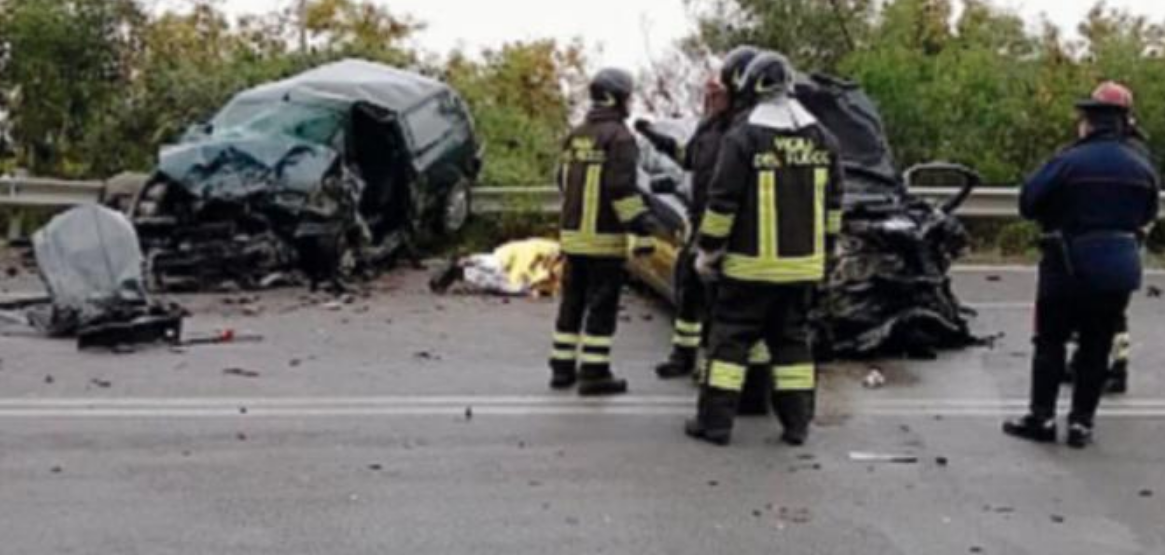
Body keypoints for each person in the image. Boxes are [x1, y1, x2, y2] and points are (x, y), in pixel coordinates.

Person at [684, 52, 844, 446]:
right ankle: (797, 425)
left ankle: (715, 424)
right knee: (791, 346)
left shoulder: (744, 138)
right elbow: (834, 205)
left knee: (728, 345)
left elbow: (722, 202)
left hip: (748, 270)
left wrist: (708, 251)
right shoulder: (822, 138)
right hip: (803, 270)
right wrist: (828, 252)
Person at [1004, 81, 1160, 448]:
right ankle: (1081, 424)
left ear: (1088, 122)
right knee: (1096, 345)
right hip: (1118, 268)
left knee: (1050, 341)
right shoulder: (1141, 166)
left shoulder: (1069, 161)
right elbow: (1148, 212)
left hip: (1067, 264)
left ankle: (1041, 417)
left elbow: (1029, 202)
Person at [635, 46, 759, 380]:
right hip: (700, 225)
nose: (711, 93)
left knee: (718, 305)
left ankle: (712, 366)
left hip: (728, 234)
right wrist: (657, 140)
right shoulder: (710, 127)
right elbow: (687, 159)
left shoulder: (746, 131)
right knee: (689, 294)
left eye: (718, 89)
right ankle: (683, 355)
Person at [549, 68, 662, 396]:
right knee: (601, 307)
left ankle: (561, 369)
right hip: (604, 240)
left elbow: (562, 180)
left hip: (573, 238)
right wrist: (642, 226)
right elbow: (622, 190)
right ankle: (595, 373)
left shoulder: (576, 134)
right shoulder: (620, 137)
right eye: (629, 96)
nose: (631, 102)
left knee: (571, 303)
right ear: (617, 97)